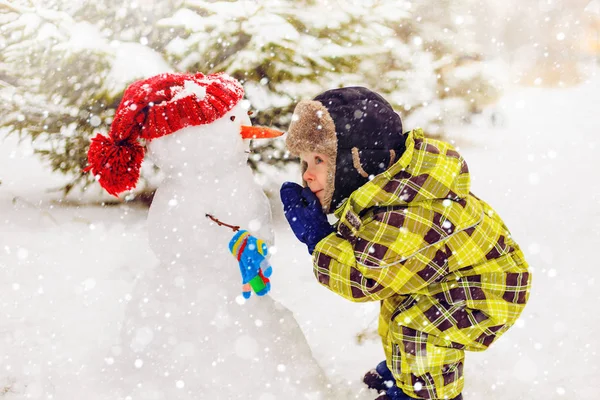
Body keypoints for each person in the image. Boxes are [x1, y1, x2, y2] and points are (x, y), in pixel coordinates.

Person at [279, 87, 531, 400]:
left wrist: (318, 240)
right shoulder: (387, 188)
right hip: (449, 276)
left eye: (319, 160)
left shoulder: (411, 212)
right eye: (304, 163)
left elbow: (365, 278)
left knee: (418, 326)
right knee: (401, 305)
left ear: (359, 161)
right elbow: (373, 258)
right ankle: (407, 369)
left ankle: (429, 392)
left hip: (488, 288)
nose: (308, 175)